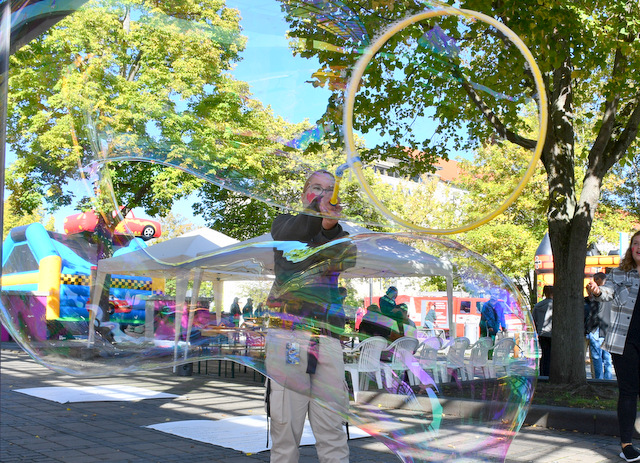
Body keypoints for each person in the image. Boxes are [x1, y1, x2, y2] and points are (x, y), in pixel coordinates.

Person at [265, 169, 355, 463]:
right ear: (304, 192)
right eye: (316, 187)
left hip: (327, 339)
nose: (323, 193)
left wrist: (329, 225)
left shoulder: (341, 235)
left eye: (330, 189)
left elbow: (346, 256)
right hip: (289, 336)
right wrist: (317, 213)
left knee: (332, 430)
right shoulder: (285, 225)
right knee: (285, 429)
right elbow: (291, 234)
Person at [588, 230, 640, 462]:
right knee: (628, 392)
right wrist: (598, 292)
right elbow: (609, 293)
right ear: (631, 249)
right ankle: (626, 444)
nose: (638, 247)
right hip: (625, 341)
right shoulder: (621, 273)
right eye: (635, 243)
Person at [584, 272, 613, 380]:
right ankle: (608, 380)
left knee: (597, 358)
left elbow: (593, 313)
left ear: (598, 279)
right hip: (607, 328)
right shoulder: (611, 294)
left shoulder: (598, 295)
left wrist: (589, 328)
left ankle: (599, 380)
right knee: (607, 358)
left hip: (596, 329)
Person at [532, 285, 553, 377]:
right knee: (551, 355)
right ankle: (549, 373)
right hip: (552, 333)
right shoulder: (556, 305)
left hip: (542, 333)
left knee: (544, 353)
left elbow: (533, 320)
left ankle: (543, 373)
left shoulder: (538, 305)